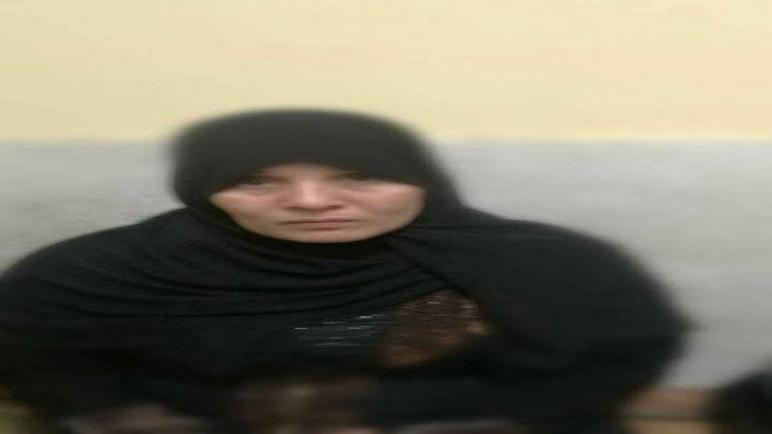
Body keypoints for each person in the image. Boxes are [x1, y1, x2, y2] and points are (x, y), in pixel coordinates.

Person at [0, 109, 689, 434]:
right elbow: (40, 361)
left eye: (358, 175)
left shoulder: (544, 264)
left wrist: (422, 418)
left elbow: (620, 356)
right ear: (204, 191)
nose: (310, 202)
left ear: (419, 179)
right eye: (256, 180)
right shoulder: (93, 275)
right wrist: (138, 417)